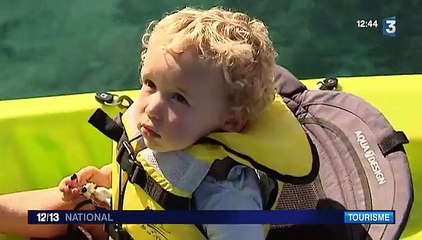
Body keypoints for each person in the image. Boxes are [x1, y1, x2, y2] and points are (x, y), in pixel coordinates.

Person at [58, 6, 278, 240]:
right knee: (46, 210)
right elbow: (148, 176)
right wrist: (103, 178)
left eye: (179, 98)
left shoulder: (226, 199)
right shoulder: (168, 134)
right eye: (150, 84)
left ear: (230, 120)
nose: (152, 108)